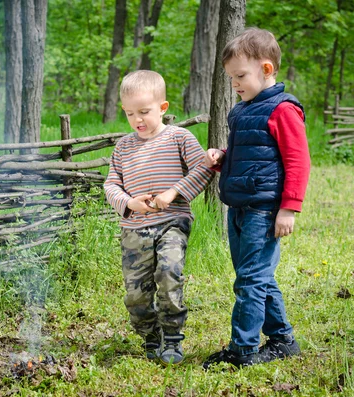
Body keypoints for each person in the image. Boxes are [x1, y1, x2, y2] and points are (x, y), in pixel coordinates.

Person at [202, 27, 311, 369]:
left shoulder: (283, 110)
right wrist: (222, 159)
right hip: (238, 208)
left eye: (240, 76)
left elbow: (298, 161)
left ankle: (243, 350)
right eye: (231, 77)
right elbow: (247, 156)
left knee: (249, 280)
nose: (234, 84)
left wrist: (289, 209)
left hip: (264, 211)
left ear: (266, 69)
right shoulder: (241, 111)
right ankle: (282, 340)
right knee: (256, 276)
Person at [104, 70, 214, 365]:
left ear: (163, 108)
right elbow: (111, 185)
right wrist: (129, 203)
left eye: (144, 112)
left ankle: (173, 339)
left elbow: (203, 169)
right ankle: (150, 337)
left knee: (168, 274)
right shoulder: (123, 147)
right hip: (134, 228)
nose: (137, 120)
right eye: (129, 114)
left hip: (171, 222)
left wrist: (173, 193)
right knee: (136, 294)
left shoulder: (180, 138)